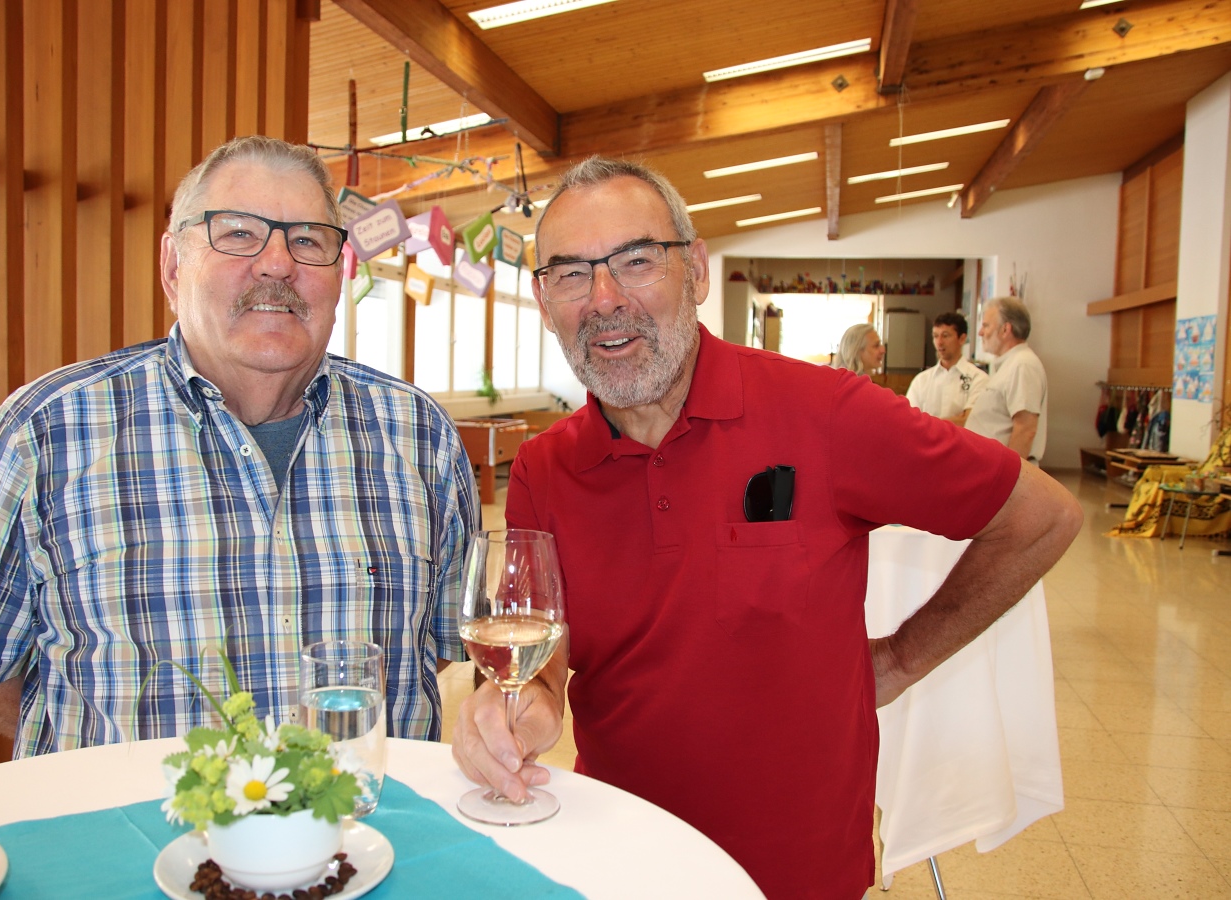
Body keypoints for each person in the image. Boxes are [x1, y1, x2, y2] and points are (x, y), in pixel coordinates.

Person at [450, 156, 1081, 899]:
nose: (605, 298)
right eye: (570, 274)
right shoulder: (545, 467)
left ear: (696, 271)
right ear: (543, 299)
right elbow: (545, 656)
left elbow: (1042, 515)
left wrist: (903, 658)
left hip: (800, 870)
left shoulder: (826, 413)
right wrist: (521, 705)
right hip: (622, 855)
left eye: (637, 260)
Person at [0, 135, 480, 758]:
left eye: (308, 240)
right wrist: (95, 763)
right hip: (133, 823)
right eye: (237, 233)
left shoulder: (419, 436)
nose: (277, 264)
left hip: (368, 820)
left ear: (338, 274)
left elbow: (443, 646)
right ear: (173, 266)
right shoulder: (42, 435)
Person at [965, 296, 1048, 461]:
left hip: (1003, 469)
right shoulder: (1010, 364)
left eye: (986, 326)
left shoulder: (1022, 364)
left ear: (1005, 330)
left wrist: (1010, 473)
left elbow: (1025, 429)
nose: (981, 332)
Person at [904, 311, 988, 426]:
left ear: (962, 339)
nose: (939, 342)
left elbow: (969, 420)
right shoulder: (921, 380)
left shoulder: (978, 378)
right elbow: (910, 421)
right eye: (935, 336)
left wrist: (926, 423)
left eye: (945, 336)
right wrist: (955, 419)